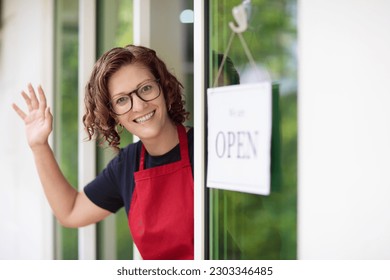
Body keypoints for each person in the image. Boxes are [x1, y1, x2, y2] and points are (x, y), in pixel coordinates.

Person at [12, 44, 194, 260]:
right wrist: (39, 146)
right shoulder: (127, 164)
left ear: (163, 88)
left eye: (145, 88)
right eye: (122, 100)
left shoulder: (205, 147)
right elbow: (70, 212)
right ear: (113, 115)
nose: (138, 105)